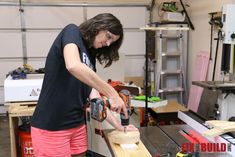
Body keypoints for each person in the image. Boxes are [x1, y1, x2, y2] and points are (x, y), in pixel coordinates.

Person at [31, 13, 138, 157]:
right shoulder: (72, 32)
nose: (108, 44)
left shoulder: (90, 54)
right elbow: (73, 65)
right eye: (109, 37)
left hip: (77, 125)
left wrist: (118, 125)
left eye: (112, 42)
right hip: (52, 126)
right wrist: (112, 93)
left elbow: (94, 97)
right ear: (99, 26)